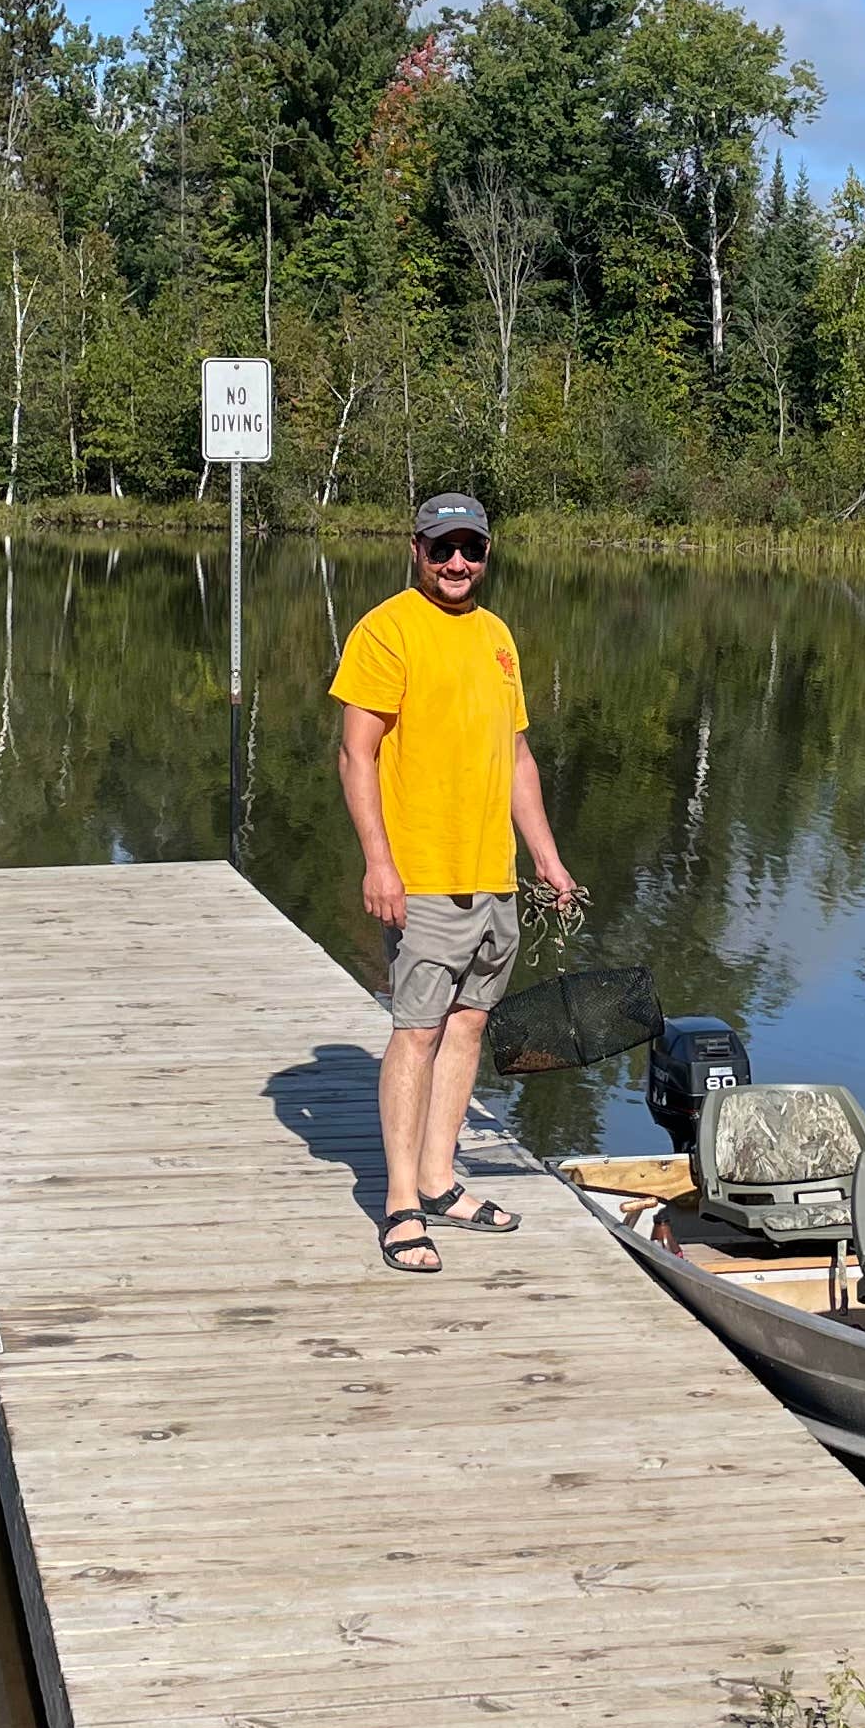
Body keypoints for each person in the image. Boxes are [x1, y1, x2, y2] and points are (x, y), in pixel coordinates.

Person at [330, 491, 582, 1276]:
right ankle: (402, 1202)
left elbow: (517, 758)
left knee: (469, 1025)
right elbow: (356, 754)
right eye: (442, 549)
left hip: (492, 877)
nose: (457, 563)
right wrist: (379, 860)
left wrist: (546, 857)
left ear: (487, 550)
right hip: (423, 877)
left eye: (470, 548)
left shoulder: (498, 637)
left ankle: (441, 1179)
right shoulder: (386, 630)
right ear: (417, 550)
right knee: (418, 1030)